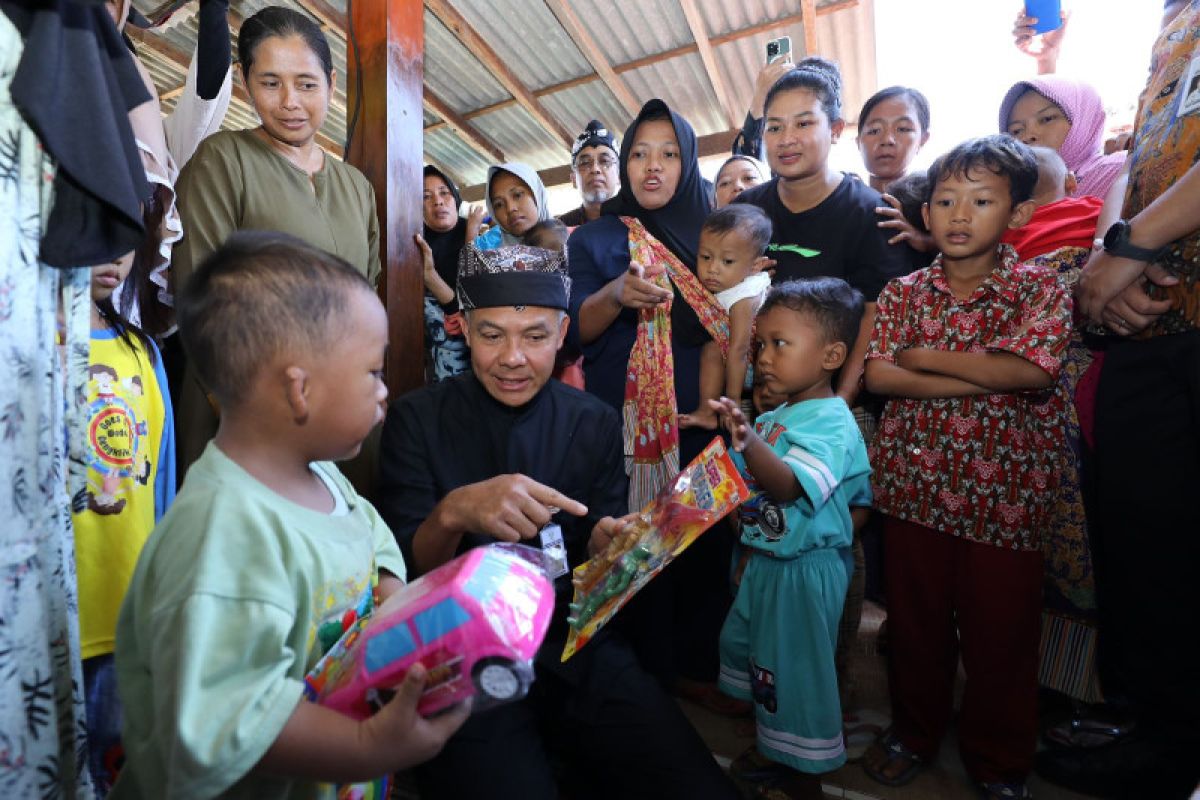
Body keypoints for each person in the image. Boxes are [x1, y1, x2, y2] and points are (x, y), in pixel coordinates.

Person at [376, 243, 740, 800]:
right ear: (464, 330)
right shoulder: (416, 420)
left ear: (563, 330)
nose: (513, 358)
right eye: (492, 335)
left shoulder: (591, 420)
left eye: (536, 337)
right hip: (463, 651)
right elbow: (407, 577)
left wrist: (606, 540)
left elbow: (594, 536)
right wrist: (454, 512)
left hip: (571, 637)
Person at [111, 232, 467, 799]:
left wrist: (389, 590)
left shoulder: (319, 473)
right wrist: (372, 747)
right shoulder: (223, 537)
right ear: (299, 390)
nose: (384, 391)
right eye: (372, 372)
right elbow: (223, 720)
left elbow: (367, 529)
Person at [861, 135, 1072, 800]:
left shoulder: (1039, 288)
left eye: (980, 200)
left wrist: (925, 359)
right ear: (926, 215)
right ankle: (913, 734)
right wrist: (989, 373)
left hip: (1007, 502)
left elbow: (1035, 368)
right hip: (915, 491)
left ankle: (999, 761)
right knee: (916, 629)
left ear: (1015, 215)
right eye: (946, 200)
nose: (958, 214)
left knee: (1001, 640)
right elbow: (879, 376)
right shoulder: (902, 292)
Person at [1068, 2, 1200, 795]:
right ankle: (1164, 740)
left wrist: (1135, 247)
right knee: (1151, 549)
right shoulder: (1175, 18)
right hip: (1151, 322)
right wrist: (1115, 258)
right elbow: (1145, 157)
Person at [172, 6, 381, 474]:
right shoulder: (222, 161)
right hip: (246, 420)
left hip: (340, 415)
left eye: (306, 84)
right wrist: (258, 423)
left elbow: (366, 299)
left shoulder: (356, 186)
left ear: (330, 83)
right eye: (270, 83)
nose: (290, 101)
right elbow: (200, 299)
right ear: (247, 84)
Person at [567, 98, 730, 688]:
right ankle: (632, 675)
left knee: (699, 557)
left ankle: (695, 675)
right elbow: (574, 331)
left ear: (688, 163)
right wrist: (615, 295)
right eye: (639, 153)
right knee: (631, 545)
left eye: (667, 154)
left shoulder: (712, 233)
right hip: (623, 427)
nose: (652, 167)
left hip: (699, 422)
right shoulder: (594, 238)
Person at [713, 279, 870, 800]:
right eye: (761, 344)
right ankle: (776, 744)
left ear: (831, 354)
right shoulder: (779, 414)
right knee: (763, 658)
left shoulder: (831, 422)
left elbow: (785, 484)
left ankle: (802, 773)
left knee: (797, 671)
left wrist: (748, 437)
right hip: (768, 562)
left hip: (804, 573)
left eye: (781, 344)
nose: (765, 357)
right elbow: (750, 495)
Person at [734, 58, 913, 403]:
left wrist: (839, 403)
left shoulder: (871, 212)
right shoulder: (746, 212)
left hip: (841, 404)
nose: (786, 139)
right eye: (774, 127)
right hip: (761, 400)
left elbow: (876, 316)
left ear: (834, 130)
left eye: (803, 123)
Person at [76, 244, 177, 794]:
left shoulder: (143, 353)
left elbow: (161, 482)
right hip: (52, 615)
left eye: (124, 236)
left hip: (127, 614)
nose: (111, 254)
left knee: (118, 773)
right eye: (93, 234)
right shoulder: (24, 345)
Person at [680, 204, 772, 429]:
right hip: (739, 360)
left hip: (755, 367)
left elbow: (739, 350)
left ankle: (722, 408)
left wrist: (734, 403)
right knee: (711, 345)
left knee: (714, 347)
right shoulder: (733, 284)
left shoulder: (744, 297)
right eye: (706, 257)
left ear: (756, 266)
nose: (713, 269)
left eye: (727, 261)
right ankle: (707, 412)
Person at [1000, 75, 1127, 200]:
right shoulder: (1004, 193)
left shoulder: (1119, 170)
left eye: (1047, 119)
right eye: (1016, 131)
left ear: (1082, 121)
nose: (1027, 136)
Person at [418, 164, 482, 383]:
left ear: (456, 199)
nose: (438, 201)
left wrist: (472, 235)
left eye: (444, 193)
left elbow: (474, 299)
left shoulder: (476, 235)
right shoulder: (414, 241)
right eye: (426, 196)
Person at [856, 86, 936, 261]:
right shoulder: (848, 196)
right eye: (874, 130)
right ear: (858, 141)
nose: (887, 140)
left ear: (923, 139)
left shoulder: (938, 199)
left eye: (903, 129)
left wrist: (928, 241)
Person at [475, 162, 554, 248]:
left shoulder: (568, 246)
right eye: (499, 204)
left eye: (517, 195)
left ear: (537, 195)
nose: (510, 208)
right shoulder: (491, 258)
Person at [559, 119, 620, 227]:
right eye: (585, 163)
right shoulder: (560, 229)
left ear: (619, 176)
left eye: (605, 161)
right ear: (573, 179)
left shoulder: (639, 224)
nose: (595, 169)